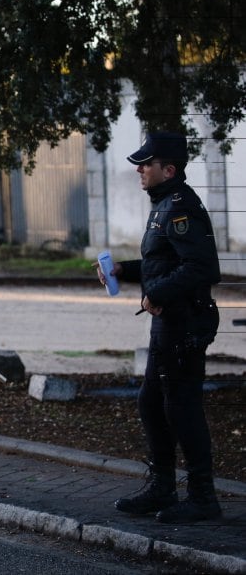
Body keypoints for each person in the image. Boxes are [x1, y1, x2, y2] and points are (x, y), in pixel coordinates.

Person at [97, 130, 222, 524]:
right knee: (152, 403)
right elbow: (162, 264)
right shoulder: (164, 204)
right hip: (170, 320)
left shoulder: (180, 208)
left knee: (181, 407)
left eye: (145, 164)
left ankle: (202, 497)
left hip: (185, 321)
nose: (139, 170)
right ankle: (162, 487)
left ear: (168, 169)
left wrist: (161, 293)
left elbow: (203, 268)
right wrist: (123, 270)